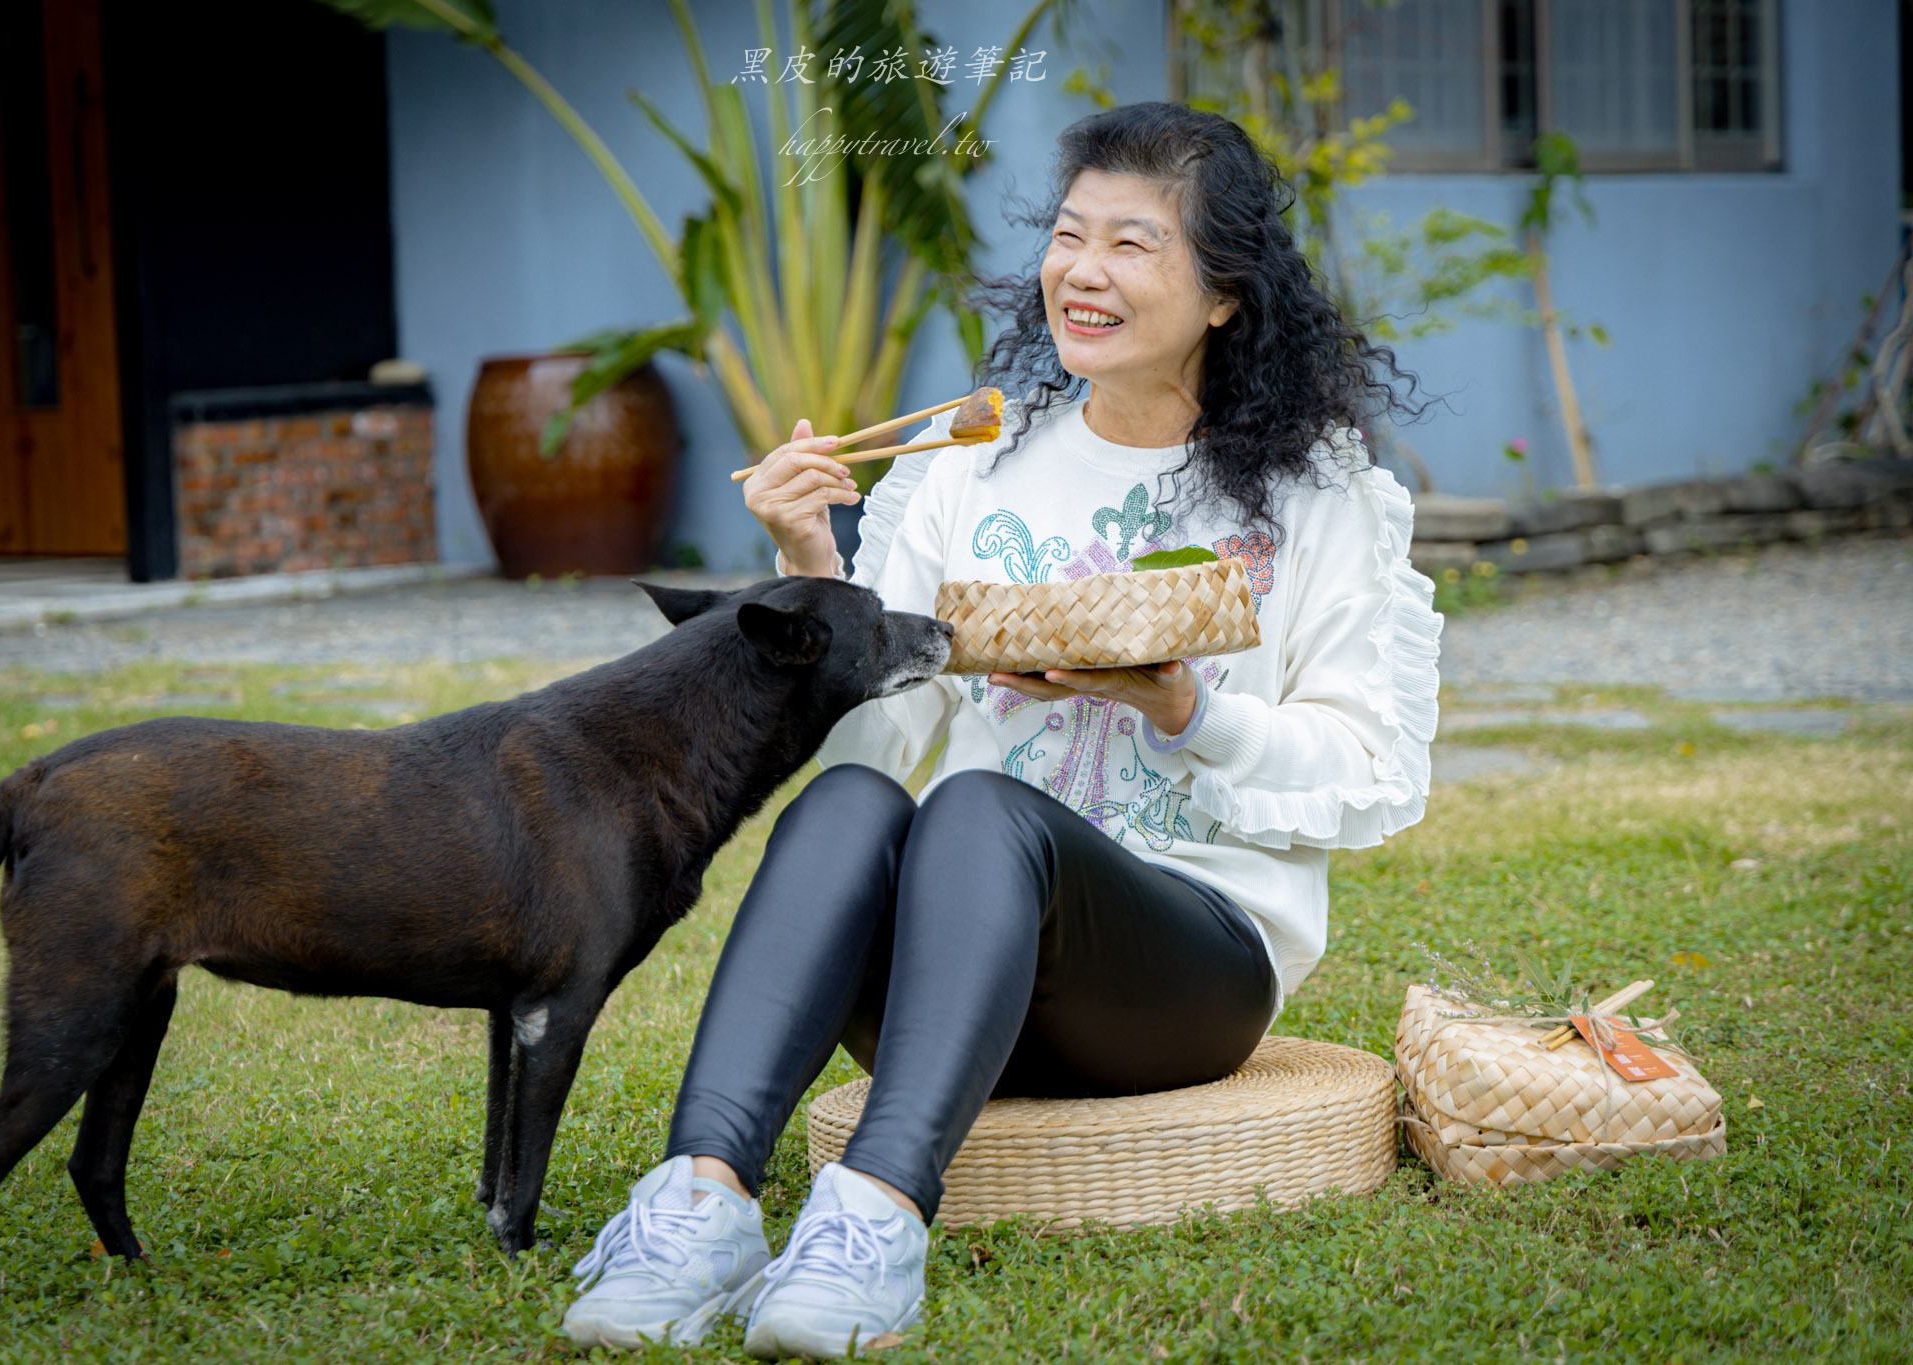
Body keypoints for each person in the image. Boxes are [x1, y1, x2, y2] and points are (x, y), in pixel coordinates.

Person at [560, 100, 1442, 1358]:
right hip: (948, 965)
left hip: (1179, 978)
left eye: (1131, 244)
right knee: (853, 804)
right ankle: (698, 1203)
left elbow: (1368, 770)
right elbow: (872, 748)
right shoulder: (967, 467)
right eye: (1068, 235)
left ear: (1222, 295)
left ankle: (874, 1224)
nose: (1082, 271)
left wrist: (1188, 709)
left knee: (977, 807)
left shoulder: (1320, 499)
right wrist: (810, 568)